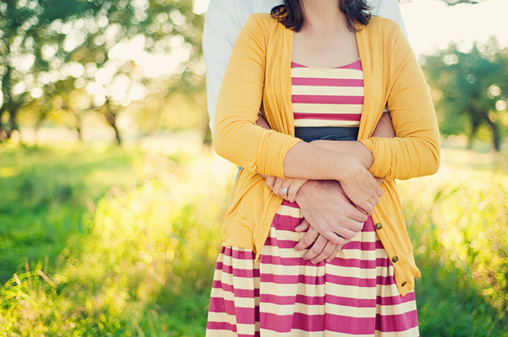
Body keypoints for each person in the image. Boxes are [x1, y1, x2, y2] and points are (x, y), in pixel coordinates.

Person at [206, 0, 440, 335]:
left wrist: (337, 156)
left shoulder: (387, 36)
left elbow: (424, 149)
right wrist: (340, 167)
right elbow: (231, 133)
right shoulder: (259, 31)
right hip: (271, 244)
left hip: (360, 233)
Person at [203, 0, 405, 265]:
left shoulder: (380, 11)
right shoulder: (232, 6)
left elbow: (395, 108)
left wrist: (349, 202)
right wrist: (312, 190)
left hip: (358, 213)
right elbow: (232, 123)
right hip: (270, 207)